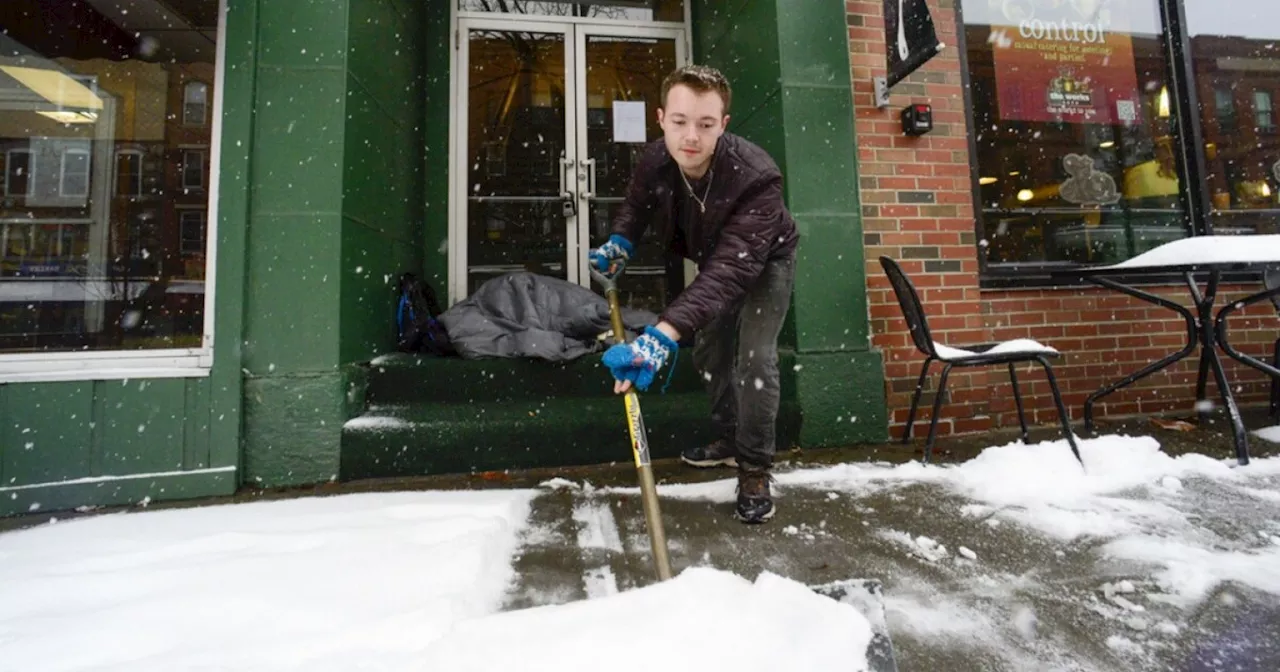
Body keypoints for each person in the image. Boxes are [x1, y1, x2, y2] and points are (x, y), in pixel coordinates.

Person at [589, 64, 799, 524]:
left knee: (755, 358)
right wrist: (621, 240)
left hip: (765, 262)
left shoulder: (757, 176)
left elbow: (728, 272)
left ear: (723, 125)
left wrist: (661, 335)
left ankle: (754, 466)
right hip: (716, 259)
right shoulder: (654, 160)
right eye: (680, 122)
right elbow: (637, 205)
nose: (691, 136)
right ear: (661, 118)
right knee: (708, 347)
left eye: (705, 125)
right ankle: (728, 437)